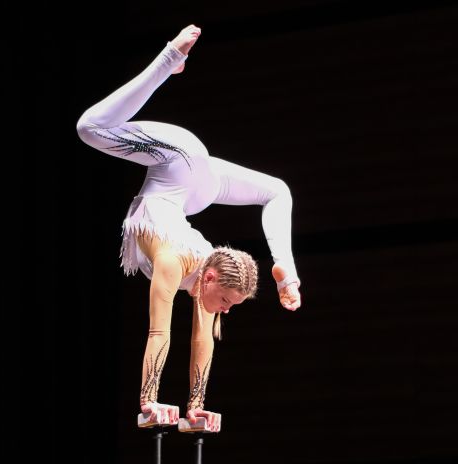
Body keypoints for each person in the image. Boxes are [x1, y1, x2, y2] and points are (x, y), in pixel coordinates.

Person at [76, 24, 301, 429]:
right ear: (210, 277)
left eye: (231, 305)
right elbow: (158, 332)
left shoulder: (208, 271)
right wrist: (149, 401)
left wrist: (195, 407)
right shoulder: (173, 260)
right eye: (227, 301)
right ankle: (169, 60)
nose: (227, 310)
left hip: (198, 187)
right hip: (179, 161)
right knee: (89, 128)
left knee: (277, 191)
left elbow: (202, 341)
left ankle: (288, 277)